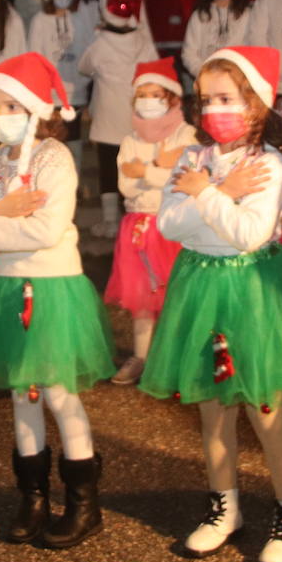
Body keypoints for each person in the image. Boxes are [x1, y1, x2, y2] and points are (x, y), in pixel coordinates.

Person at [140, 45, 282, 562]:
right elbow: (168, 224)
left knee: (267, 411)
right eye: (207, 99)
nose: (214, 110)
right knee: (212, 408)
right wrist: (221, 191)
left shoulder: (269, 162)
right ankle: (222, 509)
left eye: (227, 98)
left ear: (256, 102)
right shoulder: (191, 157)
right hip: (200, 287)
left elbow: (250, 234)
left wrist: (205, 197)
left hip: (254, 292)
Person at [0, 52, 114, 548]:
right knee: (22, 392)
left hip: (50, 287)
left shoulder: (54, 158)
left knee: (58, 392)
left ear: (36, 108)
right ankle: (32, 497)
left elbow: (44, 228)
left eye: (9, 105)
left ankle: (83, 503)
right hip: (4, 286)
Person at [104, 59, 194, 384]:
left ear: (171, 97)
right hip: (139, 227)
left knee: (176, 296)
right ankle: (141, 356)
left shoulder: (187, 133)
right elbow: (125, 185)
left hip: (174, 225)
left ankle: (178, 357)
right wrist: (159, 164)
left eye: (154, 93)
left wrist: (144, 170)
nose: (147, 100)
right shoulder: (130, 139)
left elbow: (182, 178)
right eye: (141, 94)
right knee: (142, 299)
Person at [77, 0, 159, 239]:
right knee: (137, 164)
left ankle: (111, 222)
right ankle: (138, 216)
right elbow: (155, 67)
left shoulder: (100, 44)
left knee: (108, 168)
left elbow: (84, 67)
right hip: (137, 115)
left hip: (107, 116)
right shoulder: (142, 41)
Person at [28, 0, 95, 176]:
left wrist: (85, 85)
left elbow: (88, 49)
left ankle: (73, 178)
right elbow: (34, 54)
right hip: (49, 93)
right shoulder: (40, 20)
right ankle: (52, 177)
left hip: (75, 91)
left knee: (74, 138)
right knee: (52, 139)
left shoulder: (79, 18)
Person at [181, 0, 252, 79]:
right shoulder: (199, 16)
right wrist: (205, 74)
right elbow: (188, 53)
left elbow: (252, 48)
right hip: (207, 80)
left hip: (239, 79)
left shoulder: (247, 14)